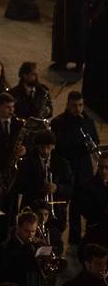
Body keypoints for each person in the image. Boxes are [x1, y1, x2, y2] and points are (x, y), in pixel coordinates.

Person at [51, 91, 100, 244]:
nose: (78, 109)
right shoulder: (58, 122)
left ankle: (75, 240)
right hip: (66, 170)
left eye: (80, 105)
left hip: (83, 170)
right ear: (68, 105)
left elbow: (95, 141)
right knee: (60, 207)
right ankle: (56, 239)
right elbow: (60, 146)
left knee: (78, 208)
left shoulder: (88, 121)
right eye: (74, 105)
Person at [79, 154, 108, 246]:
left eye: (107, 168)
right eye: (101, 167)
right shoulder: (89, 186)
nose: (103, 171)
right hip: (96, 235)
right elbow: (86, 211)